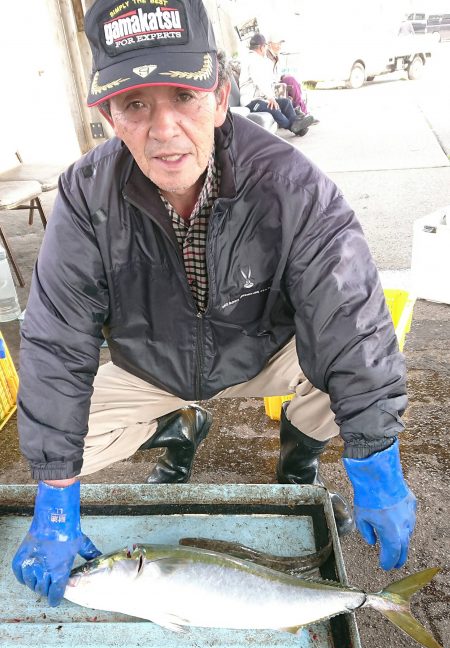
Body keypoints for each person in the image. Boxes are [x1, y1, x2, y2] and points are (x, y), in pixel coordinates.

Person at [13, 0, 416, 608]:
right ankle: (175, 427)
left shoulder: (294, 187)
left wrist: (378, 462)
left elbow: (352, 327)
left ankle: (297, 459)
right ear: (109, 115)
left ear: (222, 97)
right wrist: (55, 501)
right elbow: (55, 341)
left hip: (259, 354)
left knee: (347, 384)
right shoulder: (84, 195)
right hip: (147, 366)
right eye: (136, 104)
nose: (164, 128)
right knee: (58, 443)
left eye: (184, 96)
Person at [238, 34, 314, 135]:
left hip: (261, 99)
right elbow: (259, 81)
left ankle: (297, 125)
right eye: (265, 46)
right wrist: (271, 98)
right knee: (274, 108)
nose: (266, 49)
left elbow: (268, 80)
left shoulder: (258, 59)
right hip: (251, 101)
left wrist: (272, 96)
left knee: (286, 103)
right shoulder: (252, 59)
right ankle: (295, 127)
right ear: (262, 47)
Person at [266, 36, 319, 125]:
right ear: (270, 44)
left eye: (280, 43)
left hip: (276, 82)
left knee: (292, 81)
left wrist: (283, 77)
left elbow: (277, 74)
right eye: (277, 43)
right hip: (270, 86)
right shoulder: (266, 57)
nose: (279, 46)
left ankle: (301, 113)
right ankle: (303, 113)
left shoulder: (275, 56)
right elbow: (267, 77)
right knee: (291, 80)